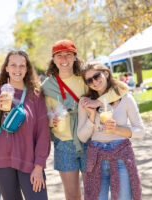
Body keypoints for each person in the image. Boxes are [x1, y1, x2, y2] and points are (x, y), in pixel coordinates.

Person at [42, 40, 128, 200]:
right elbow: (45, 114)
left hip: (90, 140)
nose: (64, 59)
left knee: (94, 192)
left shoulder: (85, 78)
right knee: (72, 195)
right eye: (59, 55)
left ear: (75, 57)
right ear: (53, 59)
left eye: (68, 54)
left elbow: (122, 88)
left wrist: (98, 101)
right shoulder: (47, 85)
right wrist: (50, 121)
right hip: (64, 144)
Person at [0, 50, 51, 200]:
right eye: (13, 65)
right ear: (7, 68)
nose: (17, 69)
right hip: (0, 161)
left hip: (29, 160)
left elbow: (43, 134)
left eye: (22, 65)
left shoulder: (35, 96)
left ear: (27, 69)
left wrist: (39, 166)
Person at [77, 61, 144, 200]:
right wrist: (91, 116)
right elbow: (82, 137)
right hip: (96, 156)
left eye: (97, 76)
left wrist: (117, 129)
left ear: (106, 73)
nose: (94, 82)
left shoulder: (125, 97)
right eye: (89, 80)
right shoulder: (85, 102)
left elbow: (140, 131)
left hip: (121, 154)